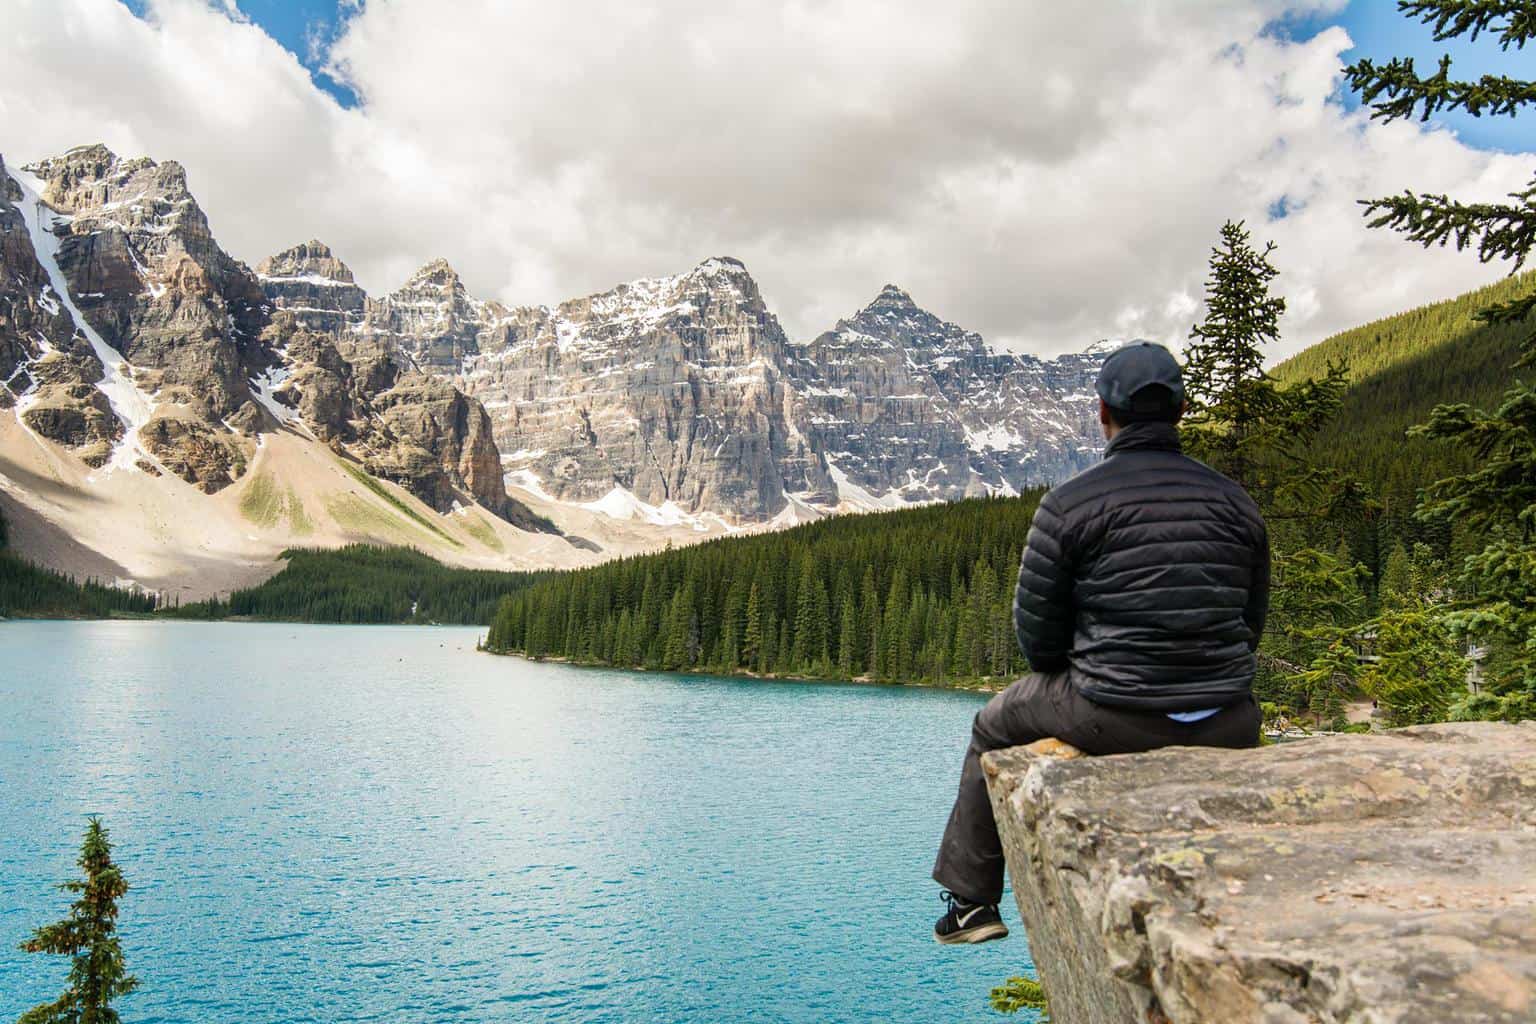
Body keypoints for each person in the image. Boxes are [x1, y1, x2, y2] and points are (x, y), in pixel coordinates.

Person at [931, 341, 1268, 944]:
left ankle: (972, 905)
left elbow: (1039, 642)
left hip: (1117, 718)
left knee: (990, 725)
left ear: (1102, 414)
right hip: (1230, 722)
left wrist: (1097, 676)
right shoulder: (1236, 503)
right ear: (1181, 413)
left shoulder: (1070, 504)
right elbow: (1251, 621)